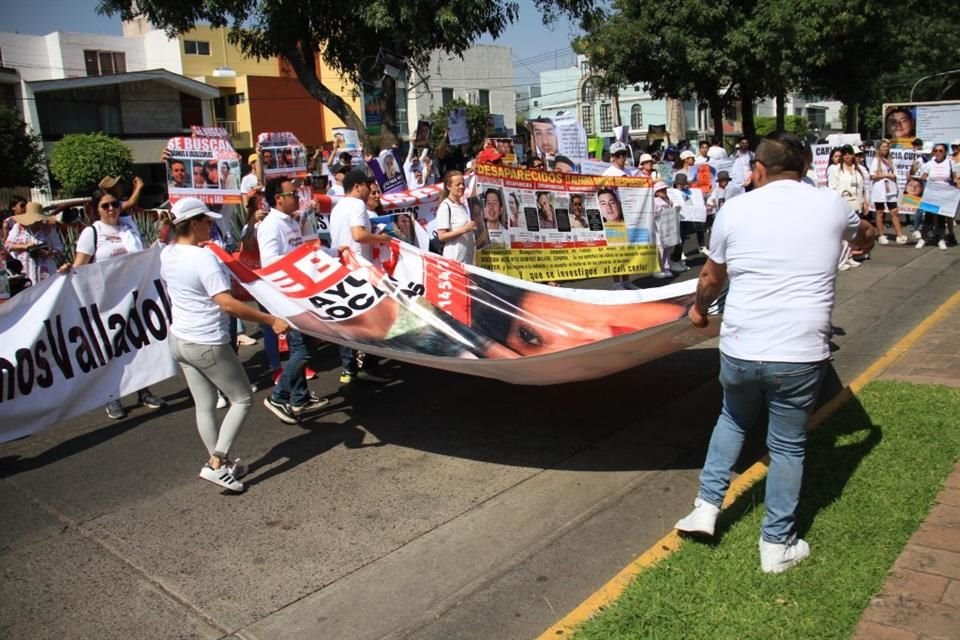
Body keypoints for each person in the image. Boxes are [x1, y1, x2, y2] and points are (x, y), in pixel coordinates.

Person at [674, 132, 876, 573]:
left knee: (732, 418)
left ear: (758, 170)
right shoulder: (829, 204)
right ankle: (776, 543)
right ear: (805, 169)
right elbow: (865, 231)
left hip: (743, 345)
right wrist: (866, 241)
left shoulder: (735, 208)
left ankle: (706, 508)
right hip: (800, 350)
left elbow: (710, 277)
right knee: (787, 445)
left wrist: (699, 310)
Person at [160, 197, 290, 492]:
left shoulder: (168, 253)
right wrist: (270, 320)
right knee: (242, 398)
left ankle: (221, 461)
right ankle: (217, 463)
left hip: (180, 339)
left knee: (204, 405)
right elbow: (227, 303)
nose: (211, 225)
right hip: (207, 342)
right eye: (206, 221)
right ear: (193, 224)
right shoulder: (202, 258)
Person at [60, 189, 167, 419]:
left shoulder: (129, 227)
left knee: (139, 345)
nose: (111, 209)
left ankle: (143, 390)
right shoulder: (92, 233)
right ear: (96, 210)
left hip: (136, 298)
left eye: (114, 204)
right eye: (105, 206)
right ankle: (112, 396)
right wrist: (67, 271)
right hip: (107, 303)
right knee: (111, 349)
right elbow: (80, 266)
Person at [258, 176, 331, 423]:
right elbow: (269, 262)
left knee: (306, 347)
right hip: (287, 297)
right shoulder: (270, 225)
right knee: (302, 349)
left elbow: (302, 250)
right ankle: (279, 396)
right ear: (278, 199)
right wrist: (298, 264)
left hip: (301, 294)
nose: (297, 198)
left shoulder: (291, 221)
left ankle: (299, 398)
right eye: (292, 195)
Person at [329, 169, 393, 384]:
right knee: (371, 319)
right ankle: (368, 365)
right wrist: (381, 238)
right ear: (357, 186)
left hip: (342, 269)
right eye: (367, 185)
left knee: (349, 321)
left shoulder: (338, 207)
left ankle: (349, 367)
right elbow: (358, 235)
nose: (370, 190)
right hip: (359, 270)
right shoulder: (357, 205)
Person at [4, 202, 63, 287]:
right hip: (25, 271)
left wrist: (51, 252)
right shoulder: (18, 228)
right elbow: (7, 245)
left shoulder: (49, 229)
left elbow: (59, 246)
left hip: (45, 272)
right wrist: (24, 246)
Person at [917, 143, 956, 250]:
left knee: (941, 217)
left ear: (945, 152)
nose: (938, 153)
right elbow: (923, 177)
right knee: (928, 216)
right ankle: (923, 238)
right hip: (931, 193)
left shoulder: (950, 163)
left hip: (945, 194)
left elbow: (955, 178)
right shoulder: (929, 164)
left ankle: (941, 239)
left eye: (940, 151)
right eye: (936, 151)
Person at [870, 139, 907, 245]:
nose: (885, 148)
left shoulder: (891, 160)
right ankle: (881, 235)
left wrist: (893, 176)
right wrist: (886, 175)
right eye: (883, 147)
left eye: (887, 146)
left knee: (894, 211)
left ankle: (899, 235)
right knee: (880, 212)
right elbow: (873, 176)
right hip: (879, 189)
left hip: (890, 189)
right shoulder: (876, 161)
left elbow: (895, 173)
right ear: (879, 148)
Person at [435, 170, 477, 264]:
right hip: (454, 260)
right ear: (448, 186)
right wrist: (465, 229)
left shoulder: (463, 206)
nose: (462, 187)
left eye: (463, 184)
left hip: (467, 260)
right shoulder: (445, 206)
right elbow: (441, 236)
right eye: (458, 184)